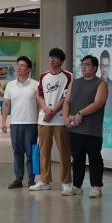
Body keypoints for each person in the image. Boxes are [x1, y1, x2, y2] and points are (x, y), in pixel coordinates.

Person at [65, 54, 109, 198]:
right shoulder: (75, 83)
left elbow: (98, 103)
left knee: (95, 158)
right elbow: (67, 101)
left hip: (92, 130)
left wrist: (80, 113)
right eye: (82, 64)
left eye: (87, 65)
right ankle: (77, 186)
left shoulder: (101, 84)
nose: (83, 67)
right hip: (76, 129)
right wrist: (66, 118)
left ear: (95, 68)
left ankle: (96, 187)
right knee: (77, 158)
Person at [31, 48, 73, 193]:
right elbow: (40, 95)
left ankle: (66, 182)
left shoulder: (68, 76)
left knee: (64, 152)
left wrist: (53, 111)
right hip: (44, 120)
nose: (51, 60)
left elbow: (66, 97)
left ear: (61, 60)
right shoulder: (43, 76)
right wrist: (45, 109)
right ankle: (44, 180)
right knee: (44, 152)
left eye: (55, 57)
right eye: (50, 57)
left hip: (60, 120)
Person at [0, 56, 38, 189]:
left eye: (22, 66)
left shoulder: (36, 85)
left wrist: (40, 121)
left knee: (31, 153)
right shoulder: (10, 85)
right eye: (18, 65)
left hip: (31, 123)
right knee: (17, 153)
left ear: (28, 69)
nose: (19, 68)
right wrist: (3, 121)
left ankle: (32, 180)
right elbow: (6, 104)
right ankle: (18, 178)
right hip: (15, 123)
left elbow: (39, 104)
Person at [100, 48, 112, 120]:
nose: (104, 69)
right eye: (102, 65)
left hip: (110, 122)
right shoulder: (93, 85)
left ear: (109, 66)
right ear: (100, 66)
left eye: (106, 66)